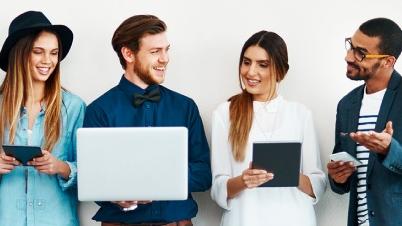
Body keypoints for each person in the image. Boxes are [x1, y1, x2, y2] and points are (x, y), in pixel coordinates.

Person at [84, 14, 211, 226]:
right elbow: (91, 179)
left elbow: (204, 174)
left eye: (166, 49)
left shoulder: (185, 107)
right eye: (155, 52)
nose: (165, 58)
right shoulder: (99, 111)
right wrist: (115, 194)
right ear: (128, 53)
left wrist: (160, 179)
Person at [210, 30, 327, 226]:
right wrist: (243, 180)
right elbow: (217, 187)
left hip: (295, 219)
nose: (250, 72)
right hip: (244, 219)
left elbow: (319, 183)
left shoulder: (300, 114)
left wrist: (289, 174)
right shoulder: (224, 114)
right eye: (246, 62)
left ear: (281, 71)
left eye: (262, 65)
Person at [0, 11, 85, 226]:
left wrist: (61, 167)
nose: (48, 61)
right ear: (19, 54)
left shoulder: (74, 107)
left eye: (54, 53)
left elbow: (94, 175)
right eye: (38, 52)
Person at [327, 18, 402, 226]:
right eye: (351, 46)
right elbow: (343, 183)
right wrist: (338, 177)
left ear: (388, 61)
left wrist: (389, 150)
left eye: (361, 53)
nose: (348, 56)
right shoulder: (346, 105)